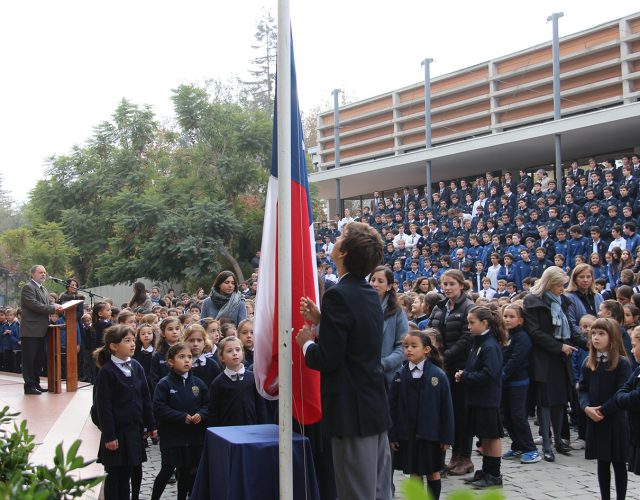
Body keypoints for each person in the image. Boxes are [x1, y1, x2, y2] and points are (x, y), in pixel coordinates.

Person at [296, 222, 392, 500]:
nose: (335, 241)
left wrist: (307, 344)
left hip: (351, 412)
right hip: (373, 406)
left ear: (344, 253)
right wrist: (323, 321)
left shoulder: (339, 294)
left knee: (355, 493)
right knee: (378, 490)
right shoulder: (367, 293)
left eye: (340, 238)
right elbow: (356, 339)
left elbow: (328, 358)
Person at [523, 266, 587, 462]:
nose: (562, 288)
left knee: (559, 400)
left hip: (560, 358)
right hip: (543, 357)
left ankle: (559, 440)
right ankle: (547, 444)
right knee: (544, 402)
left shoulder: (562, 301)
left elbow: (571, 328)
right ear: (549, 284)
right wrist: (559, 346)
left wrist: (587, 343)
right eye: (559, 285)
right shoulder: (532, 301)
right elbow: (535, 332)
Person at [388, 331, 454, 499]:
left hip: (431, 435)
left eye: (413, 346)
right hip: (408, 434)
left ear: (426, 349)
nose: (408, 349)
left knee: (432, 472)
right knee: (414, 472)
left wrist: (446, 437)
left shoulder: (438, 375)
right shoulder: (400, 376)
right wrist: (393, 435)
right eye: (406, 346)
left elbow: (446, 408)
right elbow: (392, 408)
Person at [94, 325, 156, 500]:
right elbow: (103, 407)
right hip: (117, 434)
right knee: (115, 475)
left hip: (133, 431)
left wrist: (151, 425)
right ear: (114, 346)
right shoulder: (107, 372)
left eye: (132, 340)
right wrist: (109, 436)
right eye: (127, 341)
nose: (132, 344)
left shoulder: (136, 366)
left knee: (128, 472)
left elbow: (145, 397)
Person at [428, 269, 476, 475]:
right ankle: (452, 457)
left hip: (459, 367)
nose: (447, 288)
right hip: (441, 367)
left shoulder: (469, 307)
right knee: (448, 413)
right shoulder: (439, 308)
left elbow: (467, 338)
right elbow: (430, 331)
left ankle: (463, 456)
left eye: (451, 284)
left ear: (461, 285)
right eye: (444, 284)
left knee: (462, 413)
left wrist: (445, 357)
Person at [578, 318, 632, 500]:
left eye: (601, 334)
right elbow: (583, 388)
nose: (596, 338)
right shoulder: (589, 362)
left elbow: (621, 392)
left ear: (612, 337)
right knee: (602, 463)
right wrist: (586, 408)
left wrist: (602, 410)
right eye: (593, 334)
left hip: (615, 419)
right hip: (595, 419)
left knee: (618, 463)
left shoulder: (622, 363)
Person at [454, 306, 506, 488]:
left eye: (471, 322)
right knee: (484, 436)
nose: (469, 326)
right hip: (477, 398)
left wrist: (466, 376)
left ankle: (494, 474)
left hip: (487, 398)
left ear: (484, 323)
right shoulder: (479, 343)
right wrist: (466, 372)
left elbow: (489, 374)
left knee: (491, 436)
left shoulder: (490, 345)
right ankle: (486, 471)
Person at [151, 343, 209, 500]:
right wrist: (181, 416)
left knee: (187, 470)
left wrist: (201, 414)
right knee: (168, 468)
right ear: (171, 361)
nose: (187, 361)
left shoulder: (198, 383)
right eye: (181, 357)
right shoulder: (165, 384)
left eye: (189, 357)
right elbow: (159, 407)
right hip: (172, 436)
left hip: (193, 436)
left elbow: (207, 404)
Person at [501, 303, 540, 464]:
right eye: (505, 316)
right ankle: (517, 444)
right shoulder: (506, 335)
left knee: (518, 415)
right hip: (506, 383)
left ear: (521, 320)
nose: (508, 320)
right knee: (507, 416)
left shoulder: (522, 337)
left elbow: (516, 359)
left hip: (518, 381)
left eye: (512, 316)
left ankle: (530, 449)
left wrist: (503, 374)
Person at [20, 265, 64, 394]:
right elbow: (34, 305)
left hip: (42, 329)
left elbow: (49, 304)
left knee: (39, 359)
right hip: (31, 330)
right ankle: (29, 386)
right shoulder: (28, 287)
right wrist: (53, 308)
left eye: (44, 272)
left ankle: (36, 383)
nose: (43, 274)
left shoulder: (44, 289)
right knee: (30, 359)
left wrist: (56, 305)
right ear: (33, 274)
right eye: (40, 272)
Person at [207, 336, 268, 426]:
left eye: (238, 350)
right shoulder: (218, 383)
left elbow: (261, 407)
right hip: (228, 431)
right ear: (222, 357)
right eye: (229, 351)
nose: (235, 353)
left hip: (252, 429)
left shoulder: (253, 378)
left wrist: (263, 427)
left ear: (242, 353)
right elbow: (214, 412)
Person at [369, 265, 408, 386]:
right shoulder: (360, 307)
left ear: (389, 286)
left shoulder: (397, 312)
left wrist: (383, 364)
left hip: (387, 377)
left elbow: (403, 346)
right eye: (373, 280)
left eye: (380, 281)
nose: (375, 284)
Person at [615, 326, 640, 477]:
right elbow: (623, 391)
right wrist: (624, 397)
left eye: (634, 346)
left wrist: (625, 397)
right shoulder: (637, 371)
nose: (631, 351)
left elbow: (636, 397)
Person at [149, 317, 183, 391]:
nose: (174, 332)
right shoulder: (158, 355)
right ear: (163, 333)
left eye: (177, 329)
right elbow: (154, 379)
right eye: (170, 329)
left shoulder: (186, 351)